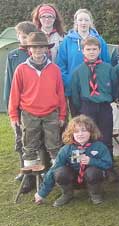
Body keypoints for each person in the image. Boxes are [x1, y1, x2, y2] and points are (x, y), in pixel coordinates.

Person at [8, 31, 67, 193]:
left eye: (42, 47)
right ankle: (30, 179)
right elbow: (14, 94)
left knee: (54, 146)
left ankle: (58, 179)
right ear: (29, 49)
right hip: (29, 113)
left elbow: (60, 94)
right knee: (30, 147)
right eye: (35, 47)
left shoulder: (54, 69)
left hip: (51, 113)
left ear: (47, 49)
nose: (38, 50)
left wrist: (62, 114)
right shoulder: (21, 69)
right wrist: (13, 115)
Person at [34, 115, 112, 206]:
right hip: (73, 180)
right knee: (60, 172)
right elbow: (54, 169)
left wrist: (92, 161)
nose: (80, 134)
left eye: (84, 130)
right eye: (76, 131)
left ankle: (95, 194)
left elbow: (108, 164)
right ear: (71, 133)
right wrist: (42, 193)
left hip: (93, 179)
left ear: (91, 131)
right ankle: (67, 194)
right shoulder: (66, 149)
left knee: (93, 171)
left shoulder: (99, 146)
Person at [71, 36, 118, 179]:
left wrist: (110, 99)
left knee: (106, 137)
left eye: (94, 49)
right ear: (83, 51)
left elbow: (115, 88)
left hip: (104, 107)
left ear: (99, 50)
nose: (91, 52)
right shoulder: (78, 71)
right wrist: (81, 111)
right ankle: (88, 168)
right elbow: (75, 94)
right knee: (87, 137)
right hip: (87, 107)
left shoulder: (108, 68)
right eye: (88, 49)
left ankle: (109, 167)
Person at [57, 8, 110, 117]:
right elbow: (61, 64)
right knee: (79, 121)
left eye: (86, 20)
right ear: (76, 22)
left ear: (91, 22)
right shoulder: (67, 41)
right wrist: (69, 81)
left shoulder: (99, 40)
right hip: (75, 89)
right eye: (80, 20)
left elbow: (107, 63)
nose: (83, 23)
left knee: (96, 124)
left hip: (95, 89)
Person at [3, 21, 38, 183]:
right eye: (19, 36)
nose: (21, 39)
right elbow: (9, 82)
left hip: (34, 107)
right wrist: (10, 105)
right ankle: (25, 171)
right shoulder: (13, 55)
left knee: (36, 140)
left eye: (25, 36)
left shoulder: (38, 54)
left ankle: (40, 170)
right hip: (18, 106)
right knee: (20, 139)